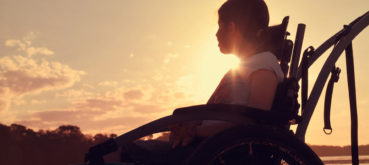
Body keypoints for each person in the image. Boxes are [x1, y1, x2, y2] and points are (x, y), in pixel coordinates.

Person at [116, 0, 285, 164]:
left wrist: (195, 131)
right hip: (205, 148)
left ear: (232, 27)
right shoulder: (245, 65)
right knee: (116, 150)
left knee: (115, 152)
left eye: (220, 26)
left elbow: (254, 121)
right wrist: (189, 126)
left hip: (217, 153)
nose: (217, 33)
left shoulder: (264, 62)